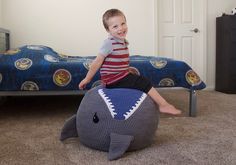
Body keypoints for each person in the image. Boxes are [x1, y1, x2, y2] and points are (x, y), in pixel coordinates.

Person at [79, 9, 181, 115]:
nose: (121, 28)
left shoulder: (122, 42)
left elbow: (118, 60)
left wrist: (126, 70)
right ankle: (163, 105)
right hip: (113, 80)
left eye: (123, 23)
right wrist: (87, 79)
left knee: (135, 76)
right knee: (143, 82)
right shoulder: (109, 43)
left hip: (119, 76)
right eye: (115, 26)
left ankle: (146, 102)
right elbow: (97, 62)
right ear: (108, 30)